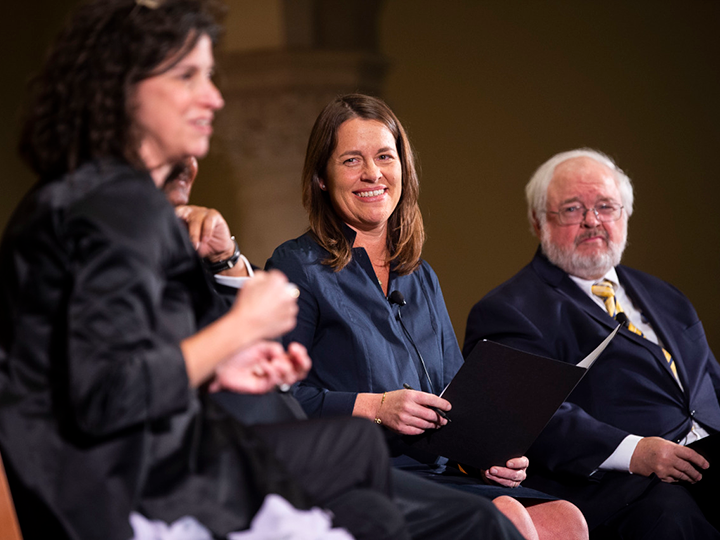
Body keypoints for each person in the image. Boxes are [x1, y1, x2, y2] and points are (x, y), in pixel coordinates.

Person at [0, 2, 427, 539]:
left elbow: (113, 358)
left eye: (209, 75)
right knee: (376, 501)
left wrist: (226, 365)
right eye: (187, 76)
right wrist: (240, 327)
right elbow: (103, 397)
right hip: (127, 492)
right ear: (121, 87)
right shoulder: (108, 209)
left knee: (366, 478)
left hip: (147, 462)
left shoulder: (108, 197)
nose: (215, 97)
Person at [266, 94, 589, 540]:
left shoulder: (419, 275)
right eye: (351, 160)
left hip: (439, 473)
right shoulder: (297, 267)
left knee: (564, 520)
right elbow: (277, 401)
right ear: (321, 178)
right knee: (508, 521)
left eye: (384, 156)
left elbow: (458, 397)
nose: (372, 174)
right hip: (361, 475)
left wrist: (486, 454)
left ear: (404, 168)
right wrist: (376, 407)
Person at [463, 148, 720, 539]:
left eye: (605, 206)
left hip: (708, 458)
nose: (591, 221)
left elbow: (709, 380)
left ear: (626, 215)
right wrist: (637, 452)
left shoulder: (665, 295)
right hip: (623, 487)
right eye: (571, 209)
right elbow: (531, 417)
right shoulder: (508, 310)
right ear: (537, 221)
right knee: (672, 517)